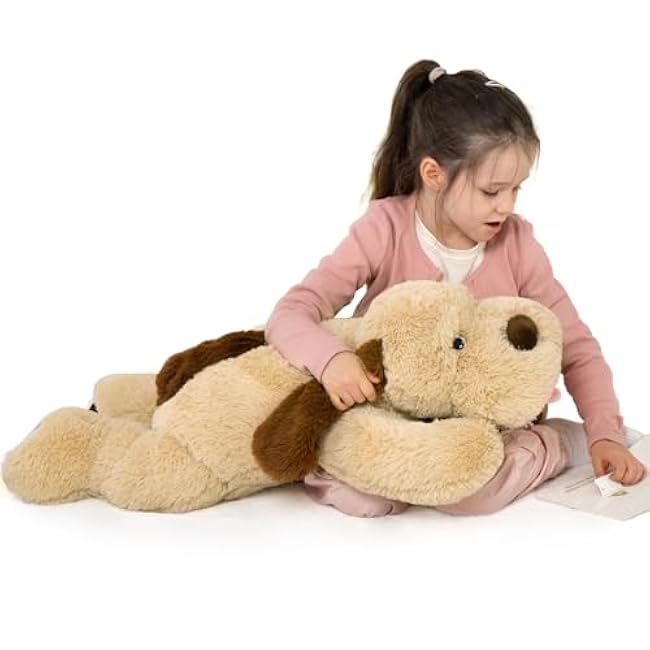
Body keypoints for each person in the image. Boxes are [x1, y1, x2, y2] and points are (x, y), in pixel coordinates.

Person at [264, 60, 646, 517]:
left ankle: (556, 445)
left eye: (516, 190)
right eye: (492, 191)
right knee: (366, 498)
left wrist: (604, 433)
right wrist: (332, 361)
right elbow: (292, 312)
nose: (506, 207)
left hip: (484, 423)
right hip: (398, 414)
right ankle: (397, 472)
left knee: (469, 495)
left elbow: (577, 347)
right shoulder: (383, 229)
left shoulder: (518, 245)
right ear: (434, 174)